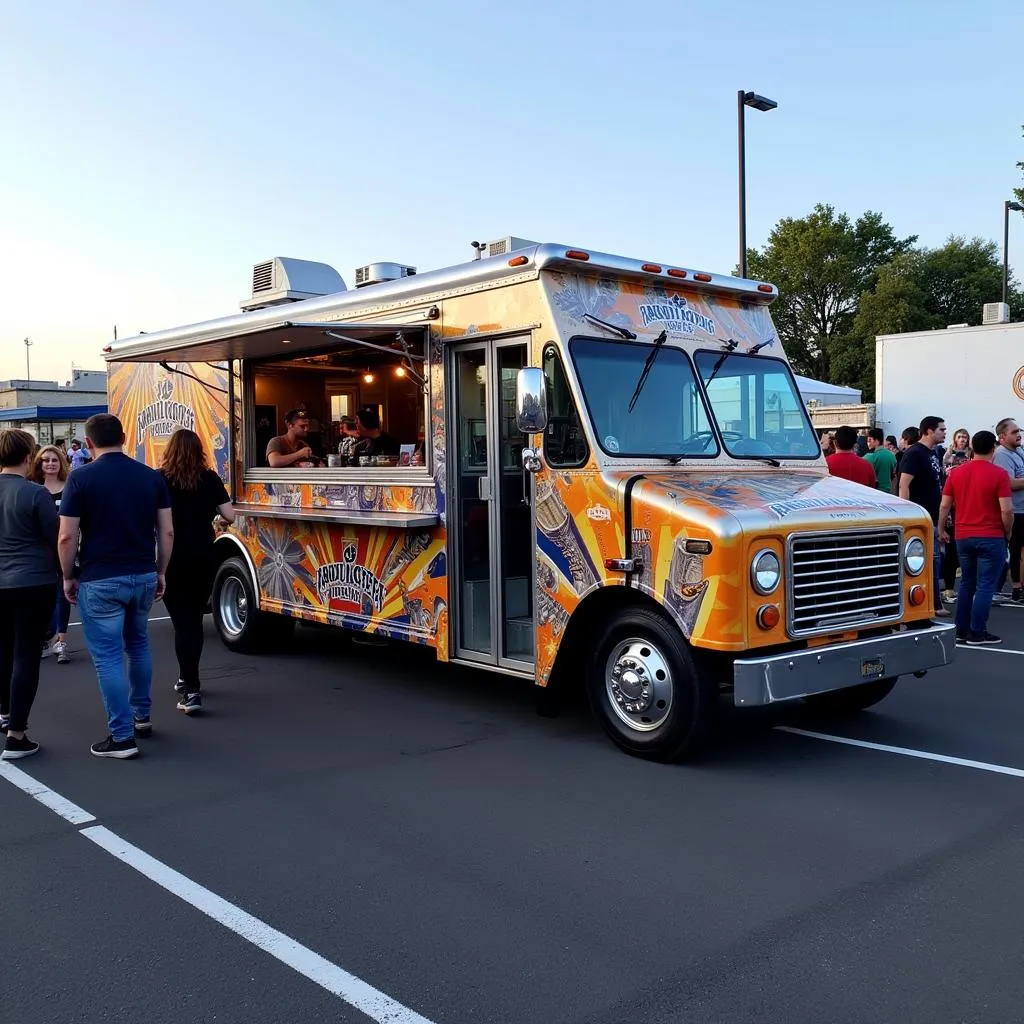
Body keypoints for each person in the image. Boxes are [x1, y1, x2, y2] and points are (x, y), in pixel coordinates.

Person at [58, 414, 174, 759]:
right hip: (142, 574)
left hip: (100, 577)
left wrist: (67, 575)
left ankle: (121, 737)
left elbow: (66, 535)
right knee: (138, 645)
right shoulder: (151, 477)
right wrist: (161, 571)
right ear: (124, 437)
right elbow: (166, 531)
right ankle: (142, 716)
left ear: (89, 443)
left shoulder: (80, 479)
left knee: (108, 657)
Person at [159, 429, 234, 714]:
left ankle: (190, 689)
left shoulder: (160, 479)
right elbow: (230, 516)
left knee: (182, 623)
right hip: (204, 555)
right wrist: (212, 515)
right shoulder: (210, 478)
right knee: (194, 621)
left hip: (172, 557)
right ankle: (187, 678)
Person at [0, 429, 58, 759]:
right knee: (25, 655)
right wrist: (69, 573)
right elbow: (55, 537)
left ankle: (6, 712)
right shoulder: (36, 495)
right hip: (32, 581)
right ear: (28, 457)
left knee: (3, 650)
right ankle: (16, 734)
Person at [939, 430, 1012, 646]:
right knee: (985, 586)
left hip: (963, 535)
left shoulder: (957, 473)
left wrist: (941, 529)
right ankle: (977, 632)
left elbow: (945, 505)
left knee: (968, 583)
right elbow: (1006, 511)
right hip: (991, 535)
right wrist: (1007, 532)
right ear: (993, 449)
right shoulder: (999, 474)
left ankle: (961, 629)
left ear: (972, 446)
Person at [898, 416, 947, 616]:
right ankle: (933, 604)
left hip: (933, 515)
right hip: (921, 517)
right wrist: (908, 514)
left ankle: (935, 601)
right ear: (928, 430)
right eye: (941, 429)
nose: (945, 432)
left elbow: (936, 484)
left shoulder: (933, 453)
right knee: (929, 560)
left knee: (935, 559)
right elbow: (903, 485)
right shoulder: (915, 453)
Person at [30, 445, 72, 663]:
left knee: (62, 595)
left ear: (61, 463)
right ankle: (46, 636)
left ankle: (61, 640)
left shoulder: (69, 488)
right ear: (39, 463)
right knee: (43, 598)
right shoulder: (33, 488)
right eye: (45, 460)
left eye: (54, 460)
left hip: (63, 549)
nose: (50, 464)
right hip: (38, 552)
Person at [992, 418, 1024, 604]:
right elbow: (1009, 483)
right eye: (1014, 432)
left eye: (1019, 430)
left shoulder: (1019, 450)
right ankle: (1016, 589)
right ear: (1002, 437)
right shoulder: (1002, 455)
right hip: (1014, 510)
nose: (1019, 434)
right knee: (1015, 550)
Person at [939, 428, 972, 603]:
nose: (962, 440)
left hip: (967, 505)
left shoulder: (973, 456)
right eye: (959, 437)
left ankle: (962, 587)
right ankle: (949, 588)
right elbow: (944, 477)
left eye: (965, 437)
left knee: (963, 550)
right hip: (952, 505)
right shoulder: (947, 455)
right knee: (951, 549)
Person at [864, 427, 898, 494]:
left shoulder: (868, 457)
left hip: (875, 492)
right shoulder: (892, 455)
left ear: (876, 441)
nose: (868, 443)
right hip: (889, 492)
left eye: (869, 440)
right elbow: (894, 476)